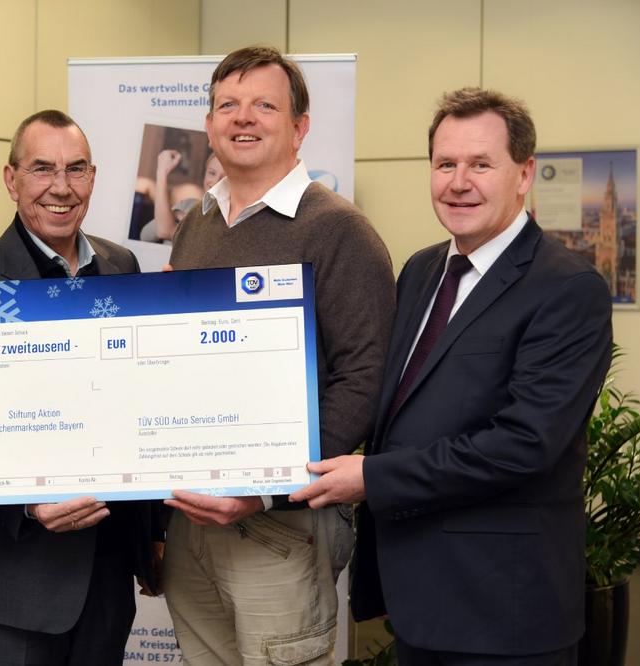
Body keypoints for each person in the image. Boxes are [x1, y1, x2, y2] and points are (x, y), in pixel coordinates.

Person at [291, 88, 613, 665]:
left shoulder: (566, 288)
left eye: (480, 165)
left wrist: (374, 478)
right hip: (418, 598)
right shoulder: (421, 270)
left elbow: (523, 446)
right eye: (445, 164)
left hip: (506, 611)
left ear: (524, 174)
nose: (458, 182)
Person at [163, 46, 395, 665]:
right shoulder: (196, 225)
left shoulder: (340, 230)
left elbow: (364, 379)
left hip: (281, 525)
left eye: (264, 105)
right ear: (209, 125)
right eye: (228, 105)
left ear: (300, 127)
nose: (243, 118)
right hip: (191, 520)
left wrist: (265, 491)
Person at [0, 109, 160, 666]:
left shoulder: (122, 266)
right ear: (11, 179)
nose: (61, 187)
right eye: (42, 169)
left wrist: (156, 533)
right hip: (11, 576)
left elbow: (142, 402)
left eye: (76, 169)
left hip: (107, 573)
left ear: (93, 177)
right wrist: (28, 504)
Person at [141, 151, 225, 243]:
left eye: (226, 177)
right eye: (212, 173)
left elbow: (165, 232)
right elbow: (145, 236)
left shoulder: (229, 221)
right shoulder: (188, 204)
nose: (216, 181)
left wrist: (162, 171)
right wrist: (174, 213)